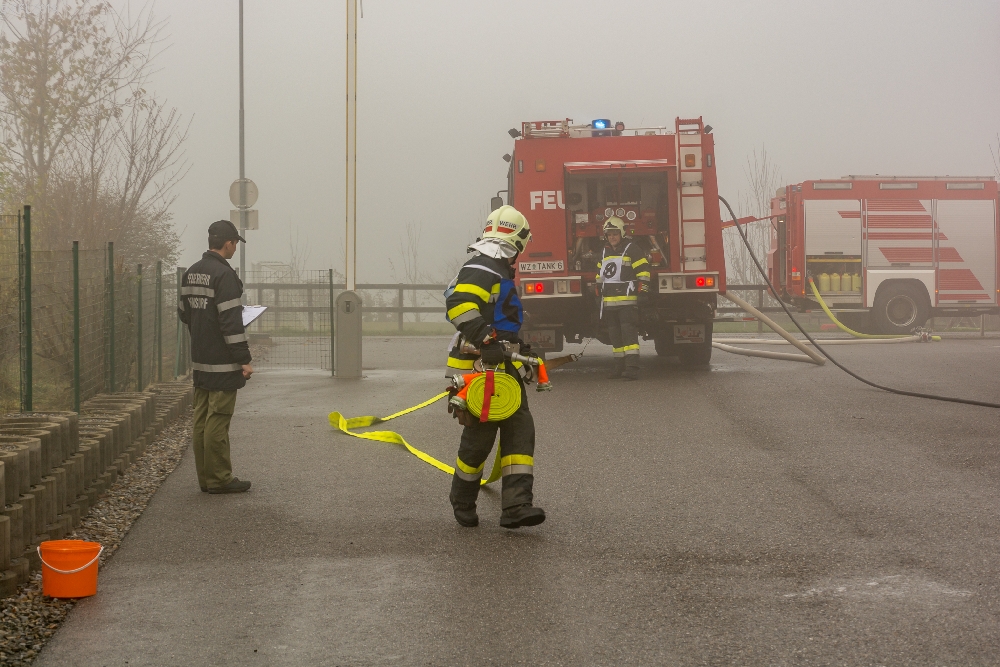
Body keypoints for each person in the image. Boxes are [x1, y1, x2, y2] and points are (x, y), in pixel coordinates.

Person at [444, 205, 546, 529]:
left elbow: (497, 315)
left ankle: (516, 506)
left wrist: (517, 346)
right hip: (479, 369)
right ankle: (462, 500)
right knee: (480, 439)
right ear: (518, 239)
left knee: (520, 430)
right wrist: (486, 339)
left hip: (501, 365)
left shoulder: (494, 266)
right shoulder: (483, 265)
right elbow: (458, 304)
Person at [179, 219, 253, 494]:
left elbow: (183, 313)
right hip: (222, 361)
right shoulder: (224, 276)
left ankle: (206, 479)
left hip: (200, 358)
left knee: (201, 420)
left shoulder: (192, 272)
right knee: (218, 419)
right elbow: (231, 324)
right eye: (235, 243)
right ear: (228, 243)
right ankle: (220, 478)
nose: (235, 248)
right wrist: (244, 359)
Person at [596, 216, 650, 380]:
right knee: (615, 337)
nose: (612, 237)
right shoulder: (604, 251)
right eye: (609, 234)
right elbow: (600, 274)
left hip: (627, 302)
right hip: (609, 303)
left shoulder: (632, 249)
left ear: (622, 233)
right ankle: (618, 368)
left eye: (615, 233)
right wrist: (597, 290)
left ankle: (632, 369)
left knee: (629, 337)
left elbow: (643, 272)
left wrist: (643, 292)